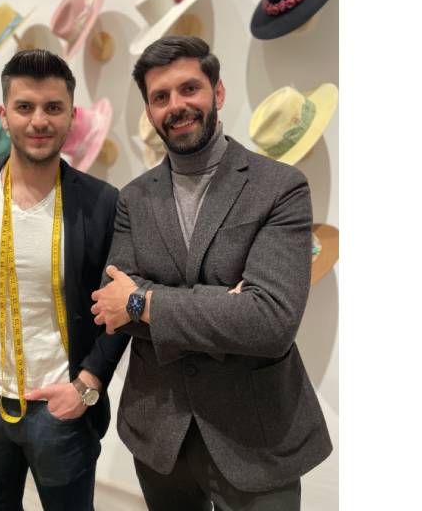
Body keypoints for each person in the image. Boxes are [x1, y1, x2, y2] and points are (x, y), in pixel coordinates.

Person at [91, 36, 332, 511]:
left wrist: (143, 301)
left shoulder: (280, 187)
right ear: (149, 111)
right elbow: (110, 303)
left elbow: (269, 322)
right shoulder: (134, 198)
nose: (176, 106)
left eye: (189, 89)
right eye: (161, 97)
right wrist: (225, 303)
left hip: (256, 436)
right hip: (159, 429)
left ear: (217, 92)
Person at [0, 49, 129, 511]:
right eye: (25, 107)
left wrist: (87, 385)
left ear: (71, 116)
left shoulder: (101, 202)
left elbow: (120, 307)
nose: (39, 121)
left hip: (62, 409)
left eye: (53, 107)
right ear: (3, 114)